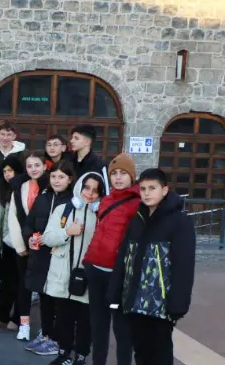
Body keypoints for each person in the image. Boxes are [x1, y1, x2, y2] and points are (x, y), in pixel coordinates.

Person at [109, 168, 195, 365]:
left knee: (160, 353)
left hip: (160, 305)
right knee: (140, 351)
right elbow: (124, 257)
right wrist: (115, 293)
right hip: (134, 301)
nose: (146, 193)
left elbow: (184, 266)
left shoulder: (180, 222)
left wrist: (178, 304)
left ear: (164, 190)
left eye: (152, 188)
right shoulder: (137, 220)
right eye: (143, 188)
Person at [82, 154, 140, 365]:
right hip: (96, 269)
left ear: (131, 176)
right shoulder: (107, 199)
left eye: (123, 173)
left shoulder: (137, 203)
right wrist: (88, 260)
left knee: (121, 327)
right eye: (114, 173)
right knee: (98, 325)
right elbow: (99, 232)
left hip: (119, 274)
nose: (118, 178)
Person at [41, 172, 103, 365]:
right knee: (64, 318)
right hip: (63, 274)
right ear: (79, 187)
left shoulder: (101, 215)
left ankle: (81, 355)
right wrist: (68, 232)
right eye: (87, 188)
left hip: (88, 275)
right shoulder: (63, 209)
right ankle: (64, 352)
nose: (90, 194)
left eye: (95, 191)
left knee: (86, 321)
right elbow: (47, 238)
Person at [23, 160, 77, 356]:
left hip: (59, 255)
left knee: (58, 301)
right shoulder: (43, 198)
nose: (56, 180)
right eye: (53, 176)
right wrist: (30, 236)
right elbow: (29, 223)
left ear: (70, 179)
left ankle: (57, 339)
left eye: (61, 177)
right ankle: (45, 334)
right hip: (40, 254)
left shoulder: (73, 202)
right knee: (44, 296)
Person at [7, 151, 47, 340]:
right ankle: (24, 324)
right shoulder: (20, 187)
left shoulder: (51, 186)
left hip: (46, 246)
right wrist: (19, 245)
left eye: (37, 165)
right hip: (24, 245)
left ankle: (46, 328)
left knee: (46, 290)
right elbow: (13, 217)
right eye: (30, 166)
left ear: (45, 166)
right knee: (24, 286)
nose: (33, 169)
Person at [0, 152, 22, 331]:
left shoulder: (22, 189)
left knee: (20, 283)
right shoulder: (1, 189)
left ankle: (17, 319)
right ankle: (0, 316)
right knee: (6, 281)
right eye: (5, 171)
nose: (8, 174)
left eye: (11, 171)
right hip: (5, 242)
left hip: (21, 243)